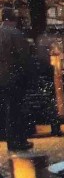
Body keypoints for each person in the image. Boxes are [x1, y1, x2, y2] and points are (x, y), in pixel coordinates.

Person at [0, 8, 33, 151]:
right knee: (16, 110)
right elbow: (24, 57)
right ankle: (18, 141)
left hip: (1, 77)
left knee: (6, 110)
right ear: (13, 19)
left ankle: (9, 139)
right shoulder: (16, 34)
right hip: (14, 77)